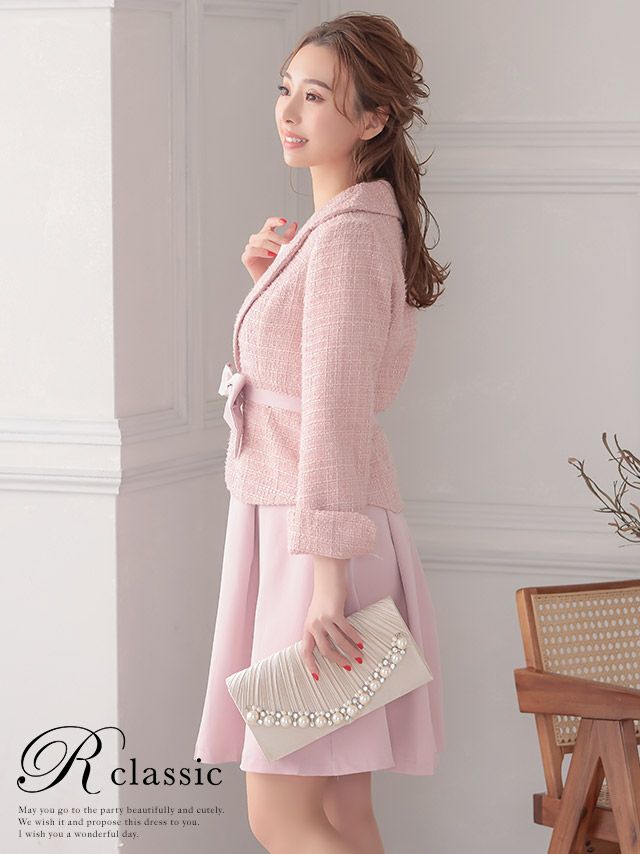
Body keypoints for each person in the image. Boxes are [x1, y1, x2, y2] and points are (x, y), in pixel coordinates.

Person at [194, 11, 451, 853]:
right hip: (316, 526)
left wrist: (326, 586)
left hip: (315, 544)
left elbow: (336, 412)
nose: (289, 111)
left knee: (282, 815)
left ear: (373, 119)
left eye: (316, 96)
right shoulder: (344, 230)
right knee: (340, 810)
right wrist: (272, 283)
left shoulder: (347, 238)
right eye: (286, 90)